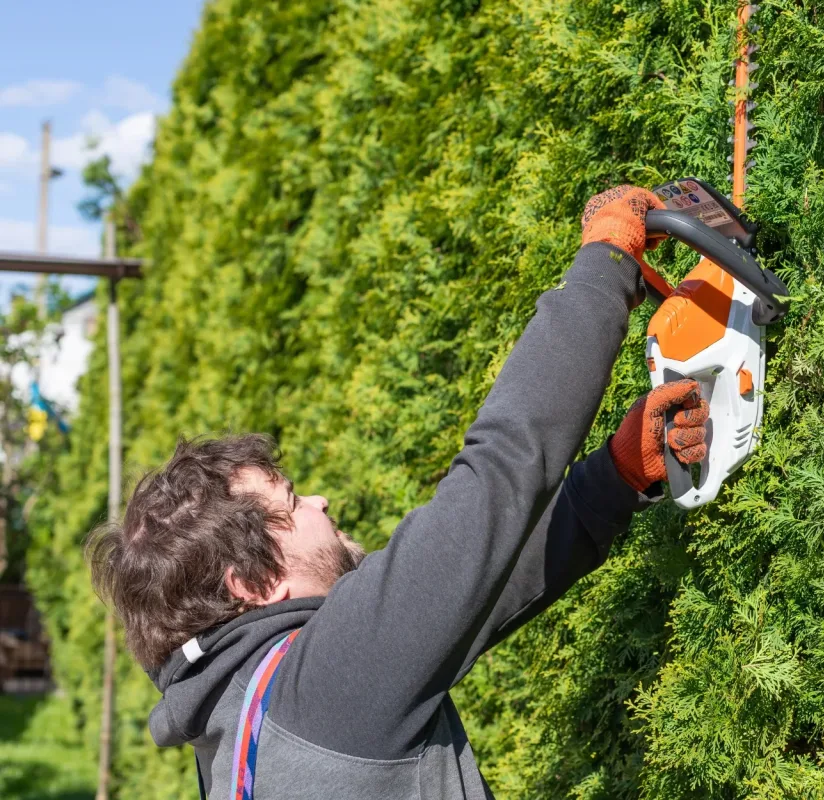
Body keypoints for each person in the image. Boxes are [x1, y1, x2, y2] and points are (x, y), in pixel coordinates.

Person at [88, 185, 711, 799]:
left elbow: (473, 592)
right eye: (292, 501)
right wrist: (606, 262)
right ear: (252, 586)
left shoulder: (242, 730)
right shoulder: (324, 690)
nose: (320, 504)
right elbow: (499, 474)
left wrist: (616, 476)